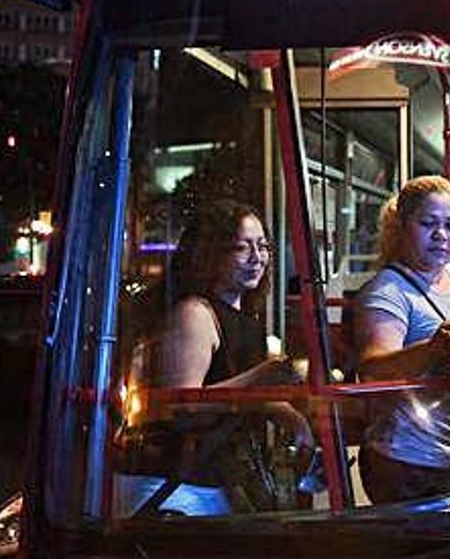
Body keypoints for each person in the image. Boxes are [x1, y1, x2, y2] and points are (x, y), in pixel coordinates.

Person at [118, 200, 311, 516]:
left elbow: (230, 392)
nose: (257, 258)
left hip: (209, 480)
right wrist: (261, 377)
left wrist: (288, 415)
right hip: (175, 486)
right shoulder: (194, 314)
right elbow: (183, 406)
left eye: (263, 246)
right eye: (242, 248)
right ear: (209, 254)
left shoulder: (240, 315)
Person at [352, 175, 450, 504]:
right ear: (403, 226)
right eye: (428, 223)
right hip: (407, 463)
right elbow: (373, 368)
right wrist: (432, 349)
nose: (441, 235)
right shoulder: (388, 292)